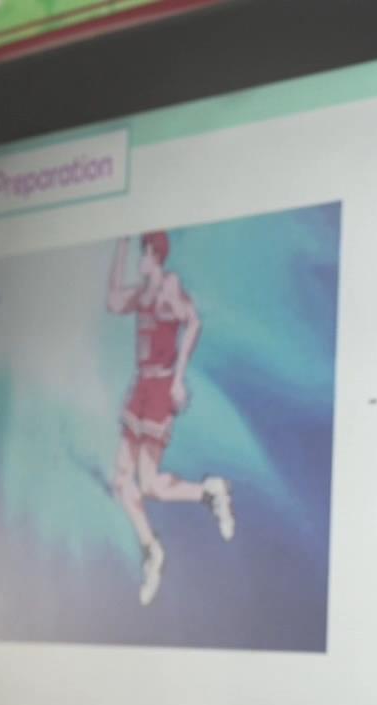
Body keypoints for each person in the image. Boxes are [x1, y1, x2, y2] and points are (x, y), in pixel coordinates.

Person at [106, 230, 234, 606]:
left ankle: (208, 492)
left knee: (150, 486)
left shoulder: (168, 287)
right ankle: (153, 550)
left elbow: (193, 322)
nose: (139, 260)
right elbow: (113, 301)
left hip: (160, 389)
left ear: (154, 255)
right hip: (141, 388)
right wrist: (120, 245)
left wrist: (178, 379)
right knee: (121, 483)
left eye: (141, 253)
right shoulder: (144, 293)